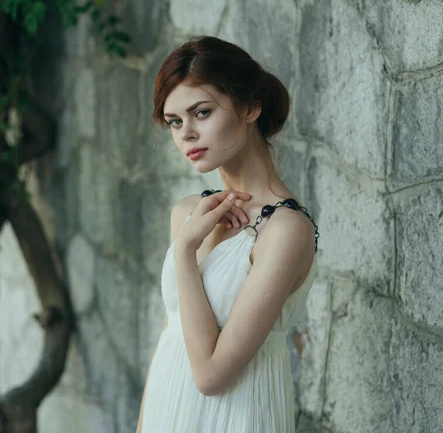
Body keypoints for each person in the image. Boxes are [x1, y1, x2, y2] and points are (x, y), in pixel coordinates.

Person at [135, 35, 320, 433]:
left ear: (251, 107)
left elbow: (211, 377)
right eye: (175, 121)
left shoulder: (286, 231)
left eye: (201, 112)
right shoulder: (188, 212)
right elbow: (171, 339)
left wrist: (185, 253)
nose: (186, 134)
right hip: (167, 414)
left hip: (238, 417)